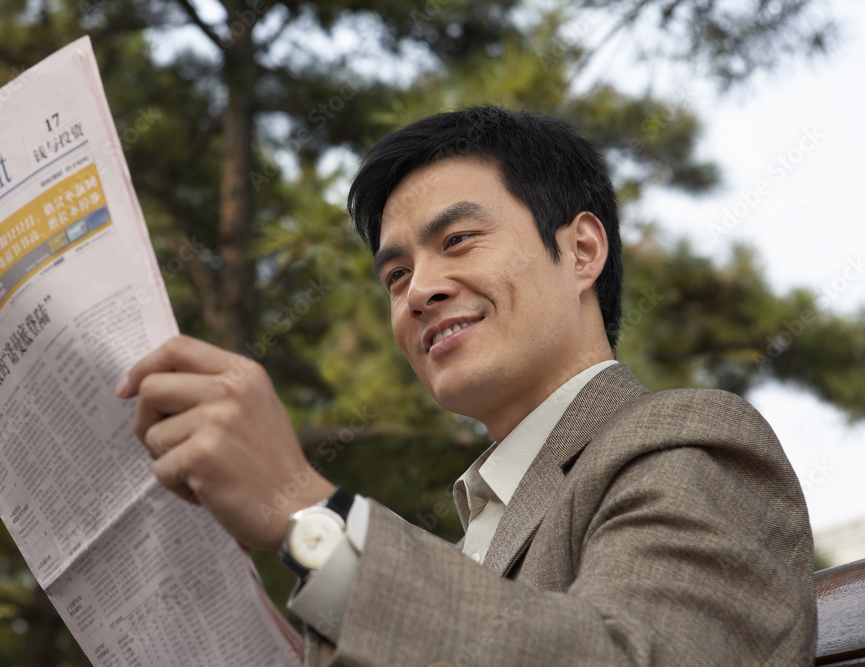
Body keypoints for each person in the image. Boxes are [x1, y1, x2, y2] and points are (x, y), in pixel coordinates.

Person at [115, 106, 816, 665]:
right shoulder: (475, 534)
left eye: (457, 241)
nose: (419, 290)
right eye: (395, 276)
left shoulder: (693, 440)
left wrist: (309, 515)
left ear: (581, 250)